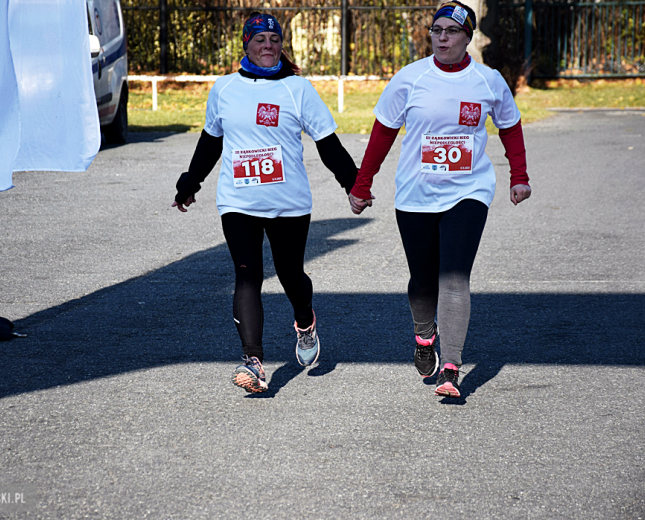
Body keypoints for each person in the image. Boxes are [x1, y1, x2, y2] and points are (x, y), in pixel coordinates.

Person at [349, 0, 531, 398]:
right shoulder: (409, 79)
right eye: (437, 30)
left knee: (454, 277)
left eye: (451, 31)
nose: (442, 37)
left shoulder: (487, 80)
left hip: (468, 191)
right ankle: (423, 333)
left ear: (468, 37)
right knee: (422, 279)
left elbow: (510, 126)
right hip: (415, 194)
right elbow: (382, 134)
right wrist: (362, 186)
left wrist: (520, 176)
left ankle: (451, 367)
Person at [173, 12, 357, 393]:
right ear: (246, 44)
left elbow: (327, 143)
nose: (268, 46)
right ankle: (253, 361)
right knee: (247, 275)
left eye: (274, 39)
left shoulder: (297, 89)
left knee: (291, 275)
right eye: (260, 40)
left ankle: (304, 322)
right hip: (238, 200)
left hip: (288, 202)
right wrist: (191, 182)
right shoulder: (224, 89)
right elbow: (211, 141)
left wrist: (353, 183)